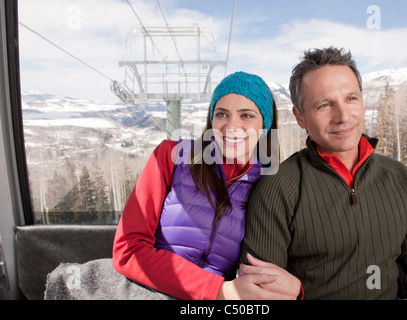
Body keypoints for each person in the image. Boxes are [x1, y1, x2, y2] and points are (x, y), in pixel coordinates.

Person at [239, 47, 407, 299]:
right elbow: (258, 294)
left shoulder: (399, 177)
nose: (343, 116)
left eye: (351, 99)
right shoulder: (278, 188)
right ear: (300, 117)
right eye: (325, 105)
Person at [113, 71, 303, 300]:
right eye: (222, 114)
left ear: (265, 125)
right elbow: (128, 249)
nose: (231, 126)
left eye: (247, 115)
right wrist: (218, 290)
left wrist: (295, 290)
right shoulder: (171, 157)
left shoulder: (271, 183)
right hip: (151, 292)